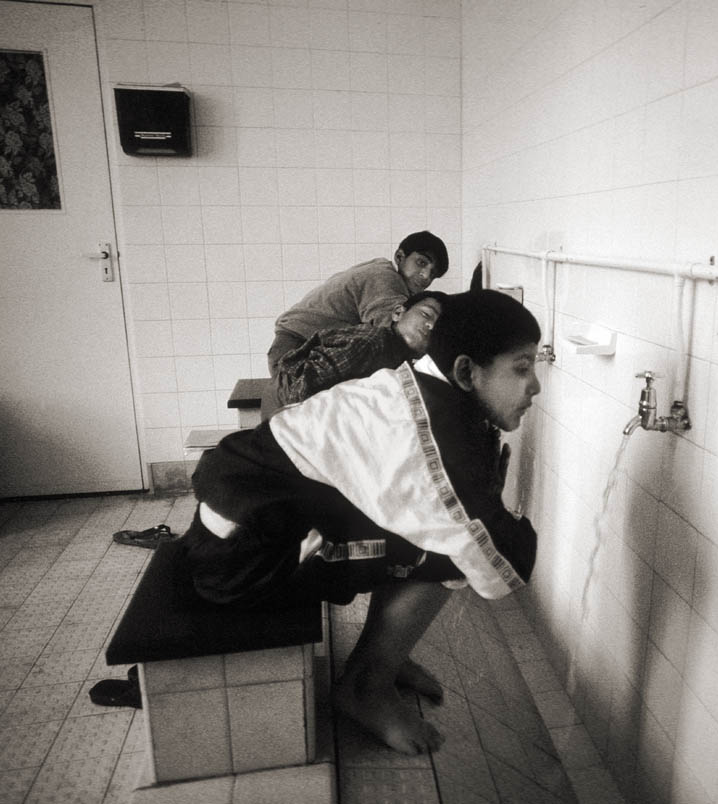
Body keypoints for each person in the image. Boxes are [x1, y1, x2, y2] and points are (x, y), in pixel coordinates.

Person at [181, 289, 542, 755]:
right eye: (522, 367)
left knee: (426, 527)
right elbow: (497, 566)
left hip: (242, 523)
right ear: (466, 371)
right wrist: (502, 519)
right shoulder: (436, 425)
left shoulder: (418, 386)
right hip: (243, 562)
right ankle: (366, 686)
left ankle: (387, 655)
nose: (535, 386)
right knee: (447, 553)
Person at [267, 230, 449, 376]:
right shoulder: (385, 279)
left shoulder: (379, 270)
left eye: (433, 273)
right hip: (296, 352)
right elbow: (396, 335)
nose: (425, 276)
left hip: (295, 348)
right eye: (421, 262)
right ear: (400, 257)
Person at [273, 290, 447, 407]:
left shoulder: (399, 358)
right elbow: (300, 392)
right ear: (398, 313)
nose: (431, 325)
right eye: (426, 314)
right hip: (284, 405)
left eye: (439, 325)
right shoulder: (373, 343)